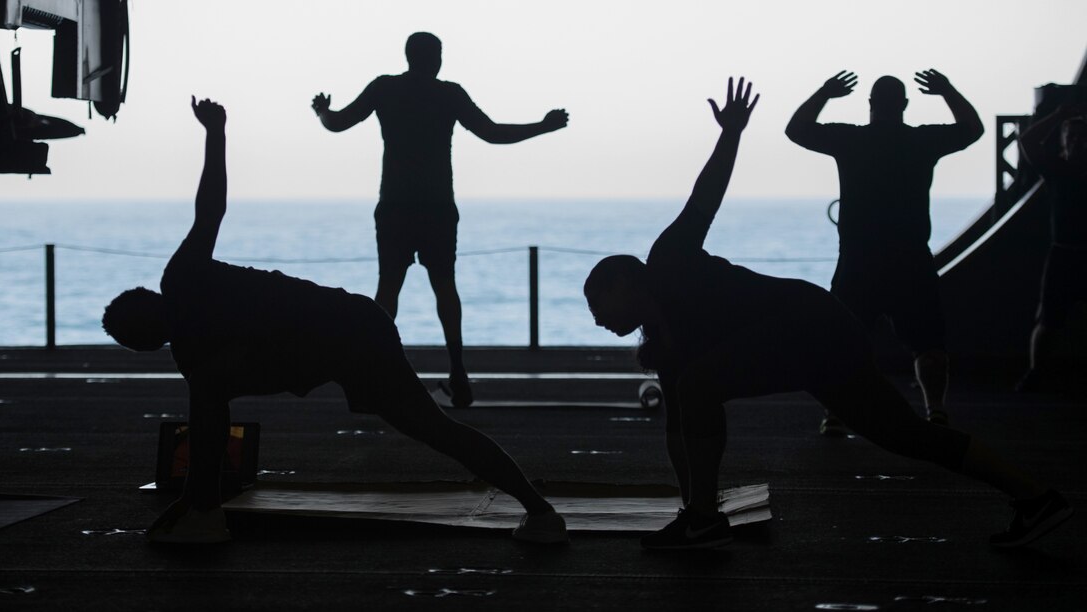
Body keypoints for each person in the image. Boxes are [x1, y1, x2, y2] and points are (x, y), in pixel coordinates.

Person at [583, 78, 1071, 551]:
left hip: (810, 322)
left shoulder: (668, 257)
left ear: (623, 282)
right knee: (906, 435)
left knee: (699, 385)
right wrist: (686, 507)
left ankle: (705, 521)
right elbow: (679, 432)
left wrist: (730, 133)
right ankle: (1035, 497)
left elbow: (705, 197)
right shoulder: (664, 344)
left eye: (597, 304)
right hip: (811, 340)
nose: (597, 320)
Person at [102, 98, 567, 545]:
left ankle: (540, 511)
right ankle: (538, 510)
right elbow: (211, 210)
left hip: (352, 332)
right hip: (351, 326)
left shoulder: (185, 307)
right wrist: (216, 133)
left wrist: (217, 135)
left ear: (147, 340)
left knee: (435, 429)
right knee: (435, 429)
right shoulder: (187, 317)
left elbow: (211, 206)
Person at [312, 32, 569, 408]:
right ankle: (458, 372)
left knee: (388, 289)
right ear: (435, 59)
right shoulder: (449, 94)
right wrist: (542, 127)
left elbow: (337, 123)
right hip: (436, 207)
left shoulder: (385, 89)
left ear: (408, 56)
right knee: (445, 286)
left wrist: (321, 110)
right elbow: (492, 133)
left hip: (396, 205)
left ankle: (375, 371)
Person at [785, 70, 984, 434]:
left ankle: (835, 413)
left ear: (871, 105)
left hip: (859, 259)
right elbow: (973, 129)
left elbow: (796, 129)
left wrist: (825, 92)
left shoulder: (850, 140)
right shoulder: (922, 141)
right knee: (928, 343)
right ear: (905, 105)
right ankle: (935, 410)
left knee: (841, 340)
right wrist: (947, 91)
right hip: (911, 258)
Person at [1015, 100, 1087, 392]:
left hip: (1064, 254)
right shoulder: (1058, 170)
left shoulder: (1058, 170)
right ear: (1063, 144)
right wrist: (1059, 115)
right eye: (1072, 138)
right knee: (1047, 320)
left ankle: (1036, 374)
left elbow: (1029, 141)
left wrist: (1059, 116)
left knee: (1048, 321)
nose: (1078, 144)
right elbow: (1027, 141)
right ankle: (1036, 372)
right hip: (1064, 254)